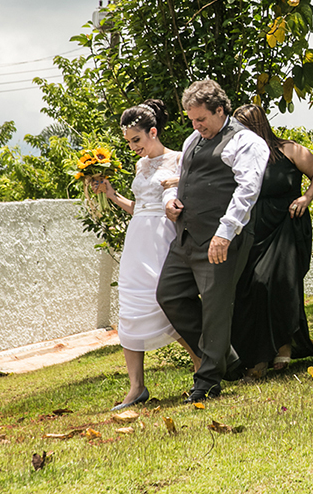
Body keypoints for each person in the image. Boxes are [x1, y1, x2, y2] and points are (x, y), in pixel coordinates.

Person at [158, 80, 269, 403]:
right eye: (192, 119)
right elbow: (180, 178)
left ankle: (207, 381)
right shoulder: (194, 138)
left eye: (201, 119)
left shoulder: (247, 142)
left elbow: (248, 189)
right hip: (186, 237)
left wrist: (225, 232)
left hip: (222, 239)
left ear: (220, 110)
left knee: (216, 310)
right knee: (169, 295)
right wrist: (170, 200)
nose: (196, 126)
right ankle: (228, 358)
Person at [94, 99, 201, 410]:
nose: (132, 148)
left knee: (167, 302)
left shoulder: (179, 159)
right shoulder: (140, 166)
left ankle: (202, 366)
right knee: (130, 306)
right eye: (128, 142)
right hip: (137, 238)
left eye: (136, 140)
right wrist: (112, 195)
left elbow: (192, 194)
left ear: (153, 132)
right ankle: (136, 387)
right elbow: (139, 208)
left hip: (163, 237)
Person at [231, 104, 313, 375]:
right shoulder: (239, 158)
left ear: (256, 127)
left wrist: (306, 197)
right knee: (251, 288)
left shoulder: (290, 151)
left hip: (287, 224)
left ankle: (284, 347)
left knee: (276, 284)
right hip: (254, 230)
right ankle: (259, 356)